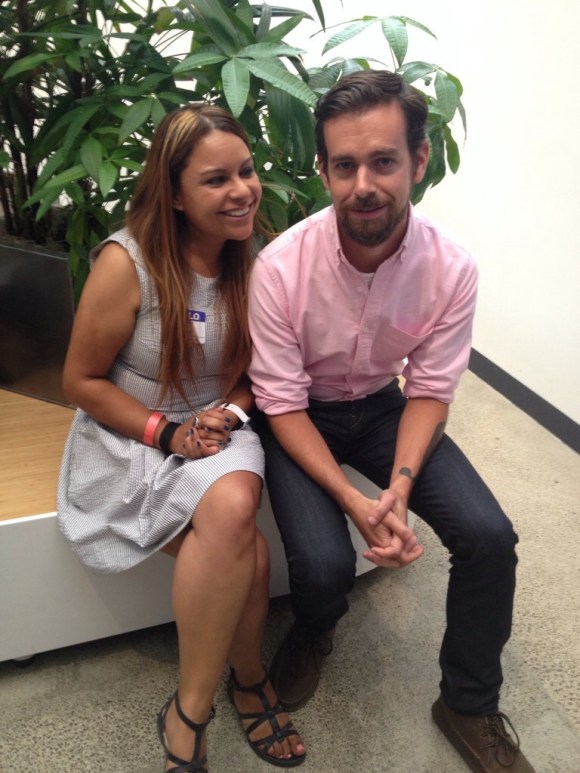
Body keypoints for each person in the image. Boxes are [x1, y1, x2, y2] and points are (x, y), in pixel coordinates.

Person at [248, 71, 534, 773]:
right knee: (322, 564)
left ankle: (467, 700)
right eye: (343, 165)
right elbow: (279, 401)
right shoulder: (280, 266)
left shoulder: (451, 266)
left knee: (489, 535)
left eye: (383, 161)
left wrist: (399, 485)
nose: (363, 185)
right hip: (301, 412)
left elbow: (431, 388)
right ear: (322, 168)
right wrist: (352, 499)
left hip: (382, 406)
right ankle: (315, 631)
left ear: (420, 159)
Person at [57, 104, 305, 772]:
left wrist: (230, 411)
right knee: (247, 552)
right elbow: (80, 380)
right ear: (172, 193)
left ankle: (188, 713)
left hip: (223, 424)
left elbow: (262, 375)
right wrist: (165, 432)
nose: (242, 191)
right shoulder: (126, 262)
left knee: (229, 508)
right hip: (131, 429)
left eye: (247, 172)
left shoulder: (260, 260)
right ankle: (247, 680)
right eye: (216, 180)